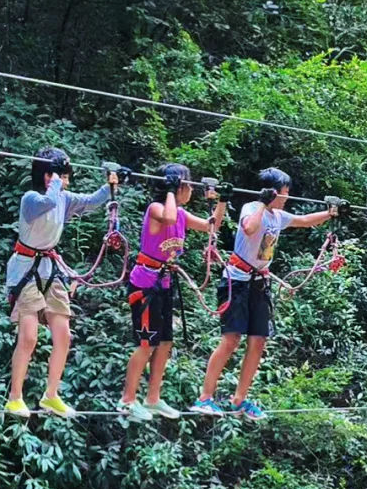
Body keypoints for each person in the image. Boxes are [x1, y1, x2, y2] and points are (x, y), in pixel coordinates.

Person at [190, 167, 338, 419]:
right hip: (237, 281)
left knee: (258, 341)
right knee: (231, 340)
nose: (287, 197)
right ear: (271, 193)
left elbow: (304, 221)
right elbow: (249, 228)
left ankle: (239, 400)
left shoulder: (278, 215)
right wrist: (262, 202)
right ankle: (205, 397)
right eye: (284, 193)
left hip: (260, 283)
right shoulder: (251, 208)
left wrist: (331, 212)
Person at [5, 147, 117, 420]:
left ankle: (51, 395)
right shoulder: (31, 199)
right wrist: (56, 180)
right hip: (25, 267)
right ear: (48, 176)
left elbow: (91, 201)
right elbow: (48, 204)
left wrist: (111, 184)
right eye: (63, 177)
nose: (66, 182)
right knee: (29, 337)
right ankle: (15, 398)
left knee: (64, 335)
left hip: (50, 267)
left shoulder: (63, 197)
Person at [119, 163, 226, 422]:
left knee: (165, 343)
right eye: (187, 184)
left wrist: (223, 200)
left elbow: (212, 226)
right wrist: (168, 190)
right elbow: (166, 217)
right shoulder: (157, 209)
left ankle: (153, 398)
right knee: (147, 344)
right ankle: (127, 400)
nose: (191, 189)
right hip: (145, 283)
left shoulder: (181, 213)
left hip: (164, 281)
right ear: (176, 186)